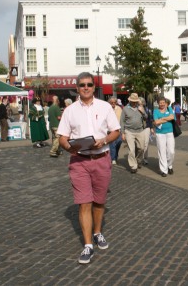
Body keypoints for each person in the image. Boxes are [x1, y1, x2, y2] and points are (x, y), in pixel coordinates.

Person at [57, 72, 120, 264]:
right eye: (82, 85)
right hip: (80, 161)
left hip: (102, 159)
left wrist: (104, 140)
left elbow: (115, 131)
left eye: (89, 85)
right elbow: (62, 137)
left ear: (94, 87)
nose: (86, 88)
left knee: (99, 201)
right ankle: (88, 245)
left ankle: (97, 231)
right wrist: (70, 148)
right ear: (77, 87)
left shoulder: (104, 107)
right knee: (84, 202)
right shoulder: (70, 111)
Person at [120, 93, 147, 173]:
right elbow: (122, 121)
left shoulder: (141, 107)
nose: (134, 103)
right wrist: (123, 133)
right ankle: (133, 166)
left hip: (140, 130)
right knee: (131, 150)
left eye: (136, 101)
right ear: (130, 101)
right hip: (129, 131)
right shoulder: (125, 109)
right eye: (133, 101)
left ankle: (138, 160)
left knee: (141, 148)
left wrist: (143, 112)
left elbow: (146, 117)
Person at [153, 97, 176, 177]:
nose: (162, 104)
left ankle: (169, 165)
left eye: (163, 102)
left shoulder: (169, 109)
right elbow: (156, 122)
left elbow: (172, 117)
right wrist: (167, 119)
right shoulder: (155, 111)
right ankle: (164, 170)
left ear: (165, 103)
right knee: (161, 151)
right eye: (160, 103)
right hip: (160, 133)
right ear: (158, 103)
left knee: (171, 151)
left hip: (170, 132)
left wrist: (162, 118)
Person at [108, 97, 123, 165]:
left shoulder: (119, 109)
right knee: (112, 144)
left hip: (118, 129)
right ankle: (113, 158)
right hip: (110, 130)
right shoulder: (107, 109)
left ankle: (115, 154)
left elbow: (122, 119)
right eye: (111, 103)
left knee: (119, 142)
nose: (113, 104)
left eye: (114, 103)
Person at [139, 97, 153, 165]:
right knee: (139, 144)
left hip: (146, 127)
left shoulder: (147, 109)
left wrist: (151, 128)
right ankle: (139, 157)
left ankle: (145, 158)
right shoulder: (135, 109)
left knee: (146, 143)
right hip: (138, 128)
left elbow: (150, 119)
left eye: (140, 102)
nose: (139, 104)